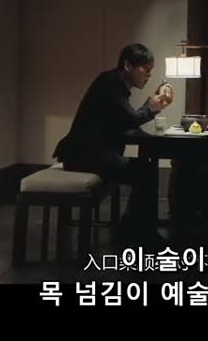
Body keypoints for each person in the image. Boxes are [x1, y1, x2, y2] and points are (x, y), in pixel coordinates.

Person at [52, 43, 174, 247]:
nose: (149, 75)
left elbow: (122, 122)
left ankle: (133, 229)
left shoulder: (115, 84)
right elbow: (130, 119)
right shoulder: (110, 82)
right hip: (83, 156)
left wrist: (151, 109)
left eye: (150, 70)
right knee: (145, 171)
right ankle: (136, 232)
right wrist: (151, 107)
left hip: (91, 153)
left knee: (146, 169)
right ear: (128, 66)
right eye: (146, 69)